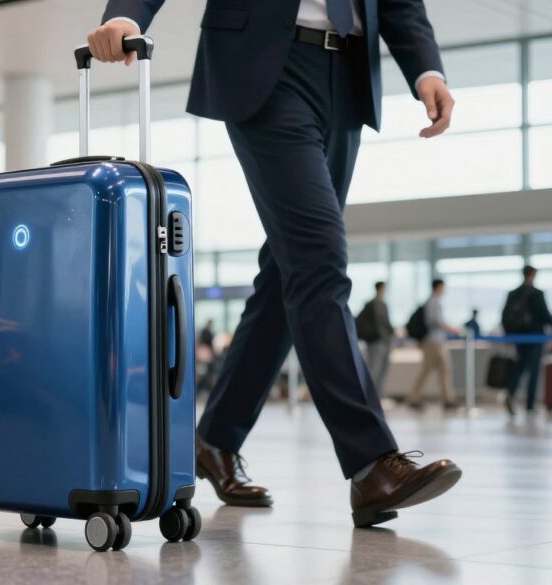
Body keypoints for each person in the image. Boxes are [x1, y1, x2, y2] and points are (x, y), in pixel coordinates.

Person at [88, 0, 461, 527]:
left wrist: (427, 68)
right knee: (319, 260)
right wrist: (127, 15)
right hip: (265, 66)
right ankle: (371, 463)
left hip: (347, 79)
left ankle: (214, 441)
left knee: (291, 273)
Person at [501, 266, 552, 416]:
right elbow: (545, 316)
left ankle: (511, 394)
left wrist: (509, 335)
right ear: (533, 275)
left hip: (519, 337)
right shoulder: (537, 294)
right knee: (534, 371)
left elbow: (504, 315)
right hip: (535, 336)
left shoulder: (513, 293)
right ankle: (530, 405)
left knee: (520, 367)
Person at [407, 279, 460, 410]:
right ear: (438, 287)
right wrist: (451, 329)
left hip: (436, 341)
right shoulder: (433, 302)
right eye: (443, 287)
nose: (444, 290)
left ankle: (447, 398)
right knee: (431, 370)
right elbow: (435, 321)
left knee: (442, 370)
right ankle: (415, 397)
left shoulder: (433, 302)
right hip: (433, 342)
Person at [357, 282, 394, 395]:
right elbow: (382, 322)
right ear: (381, 288)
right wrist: (391, 331)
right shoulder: (378, 303)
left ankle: (375, 396)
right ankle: (371, 396)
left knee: (377, 369)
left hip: (377, 341)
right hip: (378, 341)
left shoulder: (374, 303)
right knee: (376, 369)